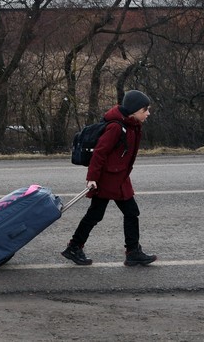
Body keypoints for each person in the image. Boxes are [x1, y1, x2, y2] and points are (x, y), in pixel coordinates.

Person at [61, 89, 157, 267]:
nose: (148, 113)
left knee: (130, 212)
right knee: (96, 215)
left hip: (120, 178)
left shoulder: (131, 125)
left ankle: (133, 252)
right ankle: (74, 247)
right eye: (145, 110)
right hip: (106, 179)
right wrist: (92, 178)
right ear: (134, 110)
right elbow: (99, 153)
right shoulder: (116, 127)